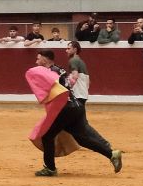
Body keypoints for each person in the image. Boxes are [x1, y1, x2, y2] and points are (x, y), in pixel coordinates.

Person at [26, 49, 121, 177]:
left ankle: (50, 168)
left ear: (44, 59)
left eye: (38, 59)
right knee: (82, 139)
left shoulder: (50, 72)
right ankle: (111, 154)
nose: (36, 62)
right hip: (76, 106)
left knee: (47, 136)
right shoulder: (60, 70)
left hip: (65, 109)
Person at [64, 41, 92, 113]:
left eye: (69, 48)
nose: (66, 50)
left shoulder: (73, 60)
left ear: (75, 49)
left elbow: (75, 76)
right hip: (83, 93)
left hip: (77, 93)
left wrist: (68, 89)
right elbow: (88, 81)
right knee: (80, 118)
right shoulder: (80, 61)